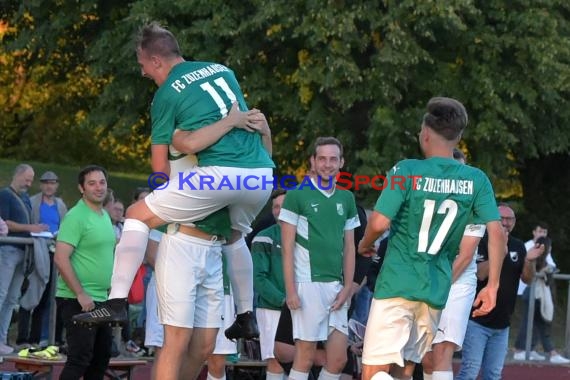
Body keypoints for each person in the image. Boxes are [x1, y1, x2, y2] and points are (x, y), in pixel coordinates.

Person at [74, 22, 275, 341]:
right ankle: (245, 316)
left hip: (221, 175)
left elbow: (159, 166)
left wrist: (157, 199)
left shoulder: (165, 95)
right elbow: (243, 123)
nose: (143, 73)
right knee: (236, 237)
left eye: (142, 65)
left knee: (136, 215)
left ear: (156, 60)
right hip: (261, 175)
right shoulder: (223, 70)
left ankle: (115, 302)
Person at [358, 97, 505, 380]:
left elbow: (379, 222)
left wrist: (366, 244)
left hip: (397, 284)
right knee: (406, 367)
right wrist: (493, 286)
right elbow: (496, 231)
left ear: (425, 133)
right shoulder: (476, 179)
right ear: (459, 136)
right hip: (435, 290)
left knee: (374, 371)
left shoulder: (406, 170)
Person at [279, 136, 360, 380]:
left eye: (333, 159)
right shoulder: (296, 196)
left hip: (336, 287)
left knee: (338, 359)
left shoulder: (346, 198)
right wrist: (291, 290)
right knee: (305, 355)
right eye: (322, 158)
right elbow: (286, 247)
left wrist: (347, 286)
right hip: (307, 284)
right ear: (313, 161)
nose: (327, 164)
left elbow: (350, 246)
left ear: (341, 162)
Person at [456, 204, 545, 380]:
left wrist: (528, 260)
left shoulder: (519, 246)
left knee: (493, 375)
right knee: (469, 372)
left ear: (514, 222)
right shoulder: (481, 241)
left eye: (509, 219)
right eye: (501, 218)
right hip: (477, 322)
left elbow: (527, 279)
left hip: (502, 325)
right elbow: (480, 274)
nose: (505, 222)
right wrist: (500, 251)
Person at [421, 149, 487, 380]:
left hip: (456, 283)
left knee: (441, 353)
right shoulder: (425, 201)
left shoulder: (476, 207)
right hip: (424, 280)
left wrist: (439, 286)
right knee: (425, 358)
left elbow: (466, 256)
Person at [53, 165, 116, 379]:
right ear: (82, 188)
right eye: (92, 183)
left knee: (100, 359)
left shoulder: (104, 216)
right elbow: (60, 258)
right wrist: (80, 293)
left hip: (102, 299)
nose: (98, 187)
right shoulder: (76, 216)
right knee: (80, 358)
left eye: (102, 182)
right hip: (77, 299)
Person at [0, 164, 49, 355]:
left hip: (24, 252)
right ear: (18, 175)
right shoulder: (5, 195)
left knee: (12, 299)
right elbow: (5, 223)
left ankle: (2, 339)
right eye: (27, 179)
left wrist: (35, 228)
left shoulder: (26, 198)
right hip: (8, 250)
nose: (29, 183)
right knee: (1, 294)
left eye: (31, 180)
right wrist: (30, 228)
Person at [17, 170, 68, 348]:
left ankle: (35, 339)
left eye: (52, 183)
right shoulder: (33, 202)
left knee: (47, 297)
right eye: (46, 182)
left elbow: (66, 226)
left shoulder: (60, 205)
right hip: (36, 250)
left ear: (56, 185)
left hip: (55, 251)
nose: (49, 186)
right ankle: (22, 338)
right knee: (31, 292)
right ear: (41, 184)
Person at [513, 235, 569, 364]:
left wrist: (548, 271)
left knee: (538, 324)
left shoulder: (543, 260)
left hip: (538, 294)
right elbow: (531, 272)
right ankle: (521, 350)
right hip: (532, 293)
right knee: (532, 323)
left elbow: (548, 274)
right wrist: (545, 271)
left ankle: (530, 349)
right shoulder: (533, 258)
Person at [252, 188, 287, 380]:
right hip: (272, 309)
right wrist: (282, 300)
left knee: (302, 359)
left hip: (302, 308)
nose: (280, 210)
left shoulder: (307, 236)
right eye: (276, 207)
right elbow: (259, 278)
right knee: (274, 360)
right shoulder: (263, 237)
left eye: (284, 206)